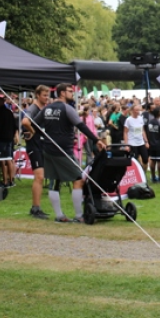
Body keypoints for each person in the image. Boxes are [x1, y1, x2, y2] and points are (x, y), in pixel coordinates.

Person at [33, 83, 106, 223]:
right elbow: (81, 126)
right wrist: (96, 140)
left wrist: (40, 136)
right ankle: (79, 216)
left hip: (48, 150)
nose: (73, 93)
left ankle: (59, 216)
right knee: (78, 180)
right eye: (70, 91)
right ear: (62, 93)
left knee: (55, 181)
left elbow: (33, 124)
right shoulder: (67, 108)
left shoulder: (47, 108)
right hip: (63, 151)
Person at [21, 85, 51, 219]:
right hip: (34, 146)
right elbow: (25, 121)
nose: (46, 98)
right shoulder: (33, 108)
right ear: (37, 95)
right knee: (39, 176)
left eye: (48, 95)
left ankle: (36, 207)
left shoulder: (43, 109)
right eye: (44, 95)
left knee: (41, 176)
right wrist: (32, 131)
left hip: (41, 145)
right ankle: (35, 208)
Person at [0, 96, 18, 187]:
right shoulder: (9, 112)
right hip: (9, 139)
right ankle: (11, 179)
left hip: (1, 139)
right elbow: (14, 126)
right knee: (9, 159)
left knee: (1, 160)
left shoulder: (0, 113)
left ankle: (4, 181)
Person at [144, 107, 160, 182]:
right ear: (159, 114)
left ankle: (153, 177)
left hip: (151, 144)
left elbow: (148, 133)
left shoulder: (150, 122)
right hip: (159, 145)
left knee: (153, 161)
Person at [123, 104, 149, 174]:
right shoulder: (128, 120)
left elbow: (142, 130)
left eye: (139, 110)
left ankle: (143, 173)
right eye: (136, 110)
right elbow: (125, 132)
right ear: (132, 110)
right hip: (132, 143)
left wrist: (146, 141)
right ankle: (137, 173)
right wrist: (126, 145)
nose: (138, 111)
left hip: (141, 142)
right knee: (135, 160)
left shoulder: (140, 118)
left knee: (145, 159)